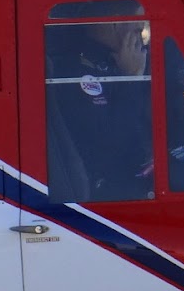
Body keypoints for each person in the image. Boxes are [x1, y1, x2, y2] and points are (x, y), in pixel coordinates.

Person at [44, 17, 153, 202]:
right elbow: (113, 143)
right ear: (114, 25)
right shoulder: (74, 72)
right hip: (108, 192)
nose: (140, 35)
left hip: (135, 174)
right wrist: (132, 78)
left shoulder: (114, 63)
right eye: (136, 29)